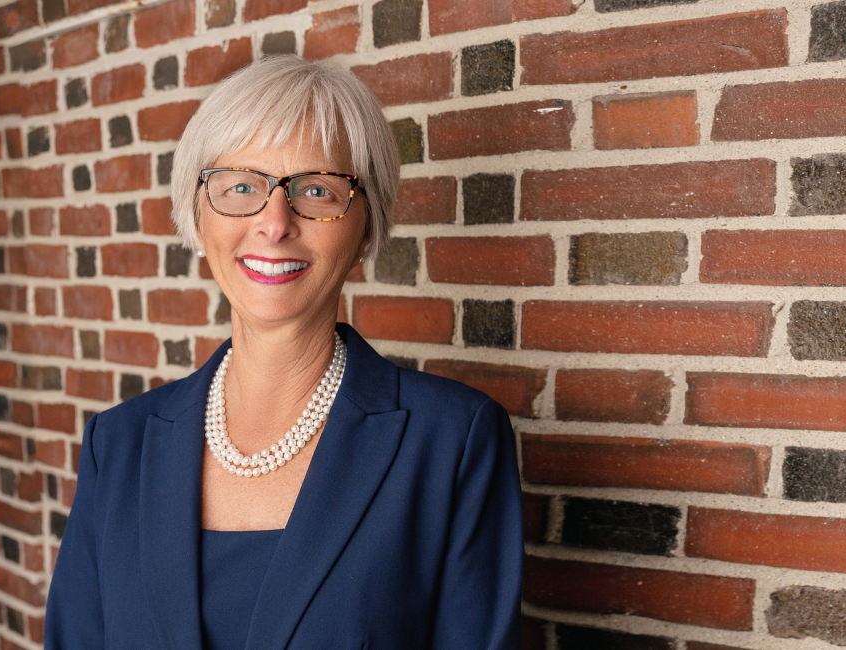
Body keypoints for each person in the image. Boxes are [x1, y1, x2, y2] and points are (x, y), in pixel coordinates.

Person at [45, 55, 523, 649]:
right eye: (241, 186)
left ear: (366, 227)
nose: (275, 223)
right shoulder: (116, 447)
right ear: (198, 212)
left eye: (317, 190)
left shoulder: (453, 442)